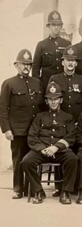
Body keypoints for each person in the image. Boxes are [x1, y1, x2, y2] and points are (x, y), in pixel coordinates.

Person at [21, 81, 78, 204]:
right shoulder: (39, 117)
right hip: (42, 150)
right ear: (46, 101)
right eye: (50, 99)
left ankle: (65, 192)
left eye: (56, 99)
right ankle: (38, 191)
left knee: (73, 159)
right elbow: (32, 136)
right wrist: (42, 149)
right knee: (26, 161)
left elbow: (71, 137)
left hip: (60, 151)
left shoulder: (68, 117)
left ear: (61, 100)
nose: (53, 102)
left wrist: (56, 147)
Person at [0, 49, 44, 199]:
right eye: (23, 64)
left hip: (34, 130)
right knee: (18, 159)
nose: (26, 67)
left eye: (29, 64)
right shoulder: (8, 84)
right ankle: (18, 188)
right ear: (16, 65)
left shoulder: (36, 83)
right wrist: (6, 129)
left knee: (32, 159)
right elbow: (3, 108)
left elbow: (40, 106)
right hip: (18, 129)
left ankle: (32, 188)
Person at [49, 46, 82, 121]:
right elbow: (49, 102)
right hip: (58, 121)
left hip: (77, 122)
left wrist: (81, 120)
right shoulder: (54, 79)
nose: (70, 63)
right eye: (68, 60)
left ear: (76, 63)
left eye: (73, 60)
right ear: (62, 62)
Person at [32, 11, 72, 91]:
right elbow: (35, 70)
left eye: (58, 25)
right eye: (53, 25)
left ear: (61, 26)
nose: (56, 27)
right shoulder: (41, 45)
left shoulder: (67, 44)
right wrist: (39, 87)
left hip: (63, 86)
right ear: (48, 26)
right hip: (46, 86)